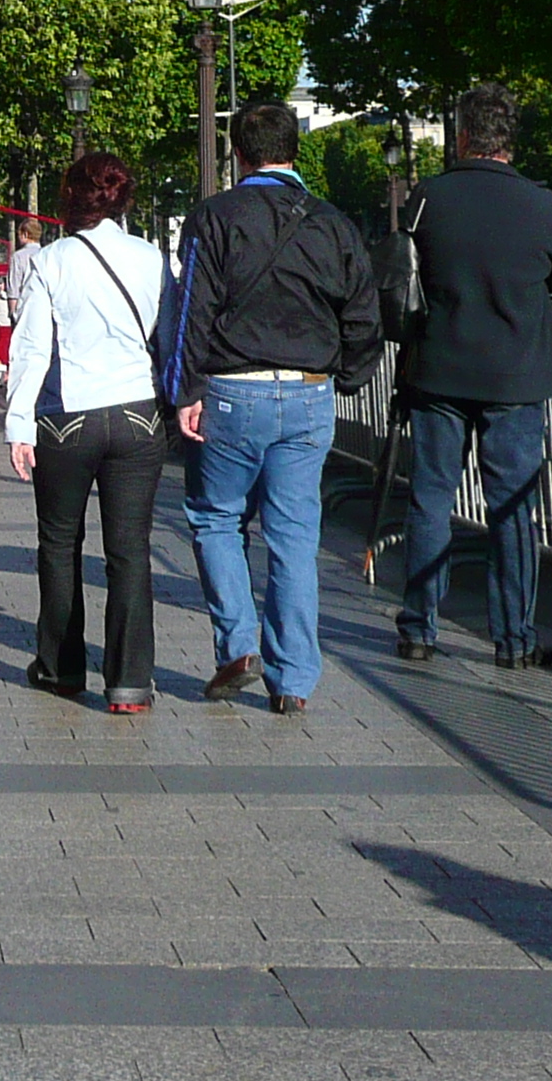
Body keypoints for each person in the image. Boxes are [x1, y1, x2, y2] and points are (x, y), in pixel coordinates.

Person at [165, 100, 382, 713]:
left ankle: (237, 643)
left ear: (238, 153)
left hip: (236, 388)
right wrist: (352, 375)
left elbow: (193, 312)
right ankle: (294, 680)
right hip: (311, 390)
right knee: (292, 534)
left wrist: (187, 392)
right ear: (296, 150)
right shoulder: (333, 223)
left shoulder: (215, 217)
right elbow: (364, 311)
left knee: (215, 517)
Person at [393, 83, 552, 671]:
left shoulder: (427, 198)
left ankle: (420, 627)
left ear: (462, 134)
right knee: (512, 507)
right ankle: (513, 637)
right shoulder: (542, 205)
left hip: (439, 370)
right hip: (516, 375)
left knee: (430, 498)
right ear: (510, 139)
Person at [5, 152, 167, 713]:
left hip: (68, 414)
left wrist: (19, 423)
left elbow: (31, 350)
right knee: (129, 550)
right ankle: (129, 681)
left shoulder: (51, 262)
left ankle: (61, 666)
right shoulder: (151, 259)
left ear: (72, 197)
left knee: (58, 543)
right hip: (136, 414)